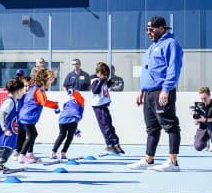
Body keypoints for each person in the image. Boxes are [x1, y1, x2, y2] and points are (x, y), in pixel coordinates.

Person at [128, 16, 183, 172]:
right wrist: (142, 90)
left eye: (151, 29)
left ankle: (173, 162)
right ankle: (148, 159)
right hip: (149, 93)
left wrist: (166, 89)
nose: (148, 32)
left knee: (170, 125)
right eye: (147, 29)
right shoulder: (152, 47)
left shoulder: (171, 44)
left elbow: (174, 68)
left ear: (162, 29)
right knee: (152, 128)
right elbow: (146, 70)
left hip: (162, 92)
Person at [18, 68, 59, 164]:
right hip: (28, 116)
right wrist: (55, 105)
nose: (49, 83)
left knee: (33, 134)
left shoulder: (34, 88)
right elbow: (44, 102)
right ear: (44, 80)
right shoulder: (38, 90)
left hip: (27, 115)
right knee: (31, 136)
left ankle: (30, 154)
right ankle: (22, 156)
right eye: (49, 81)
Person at [91, 62, 124, 154]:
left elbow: (102, 89)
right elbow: (95, 90)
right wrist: (102, 80)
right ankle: (109, 144)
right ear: (100, 72)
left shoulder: (102, 80)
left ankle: (115, 143)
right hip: (98, 106)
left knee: (109, 125)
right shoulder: (94, 79)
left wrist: (109, 83)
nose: (106, 76)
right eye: (105, 74)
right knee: (105, 126)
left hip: (104, 105)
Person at [50, 88, 84, 159]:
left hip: (64, 120)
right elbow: (70, 116)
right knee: (68, 137)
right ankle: (61, 152)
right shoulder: (77, 102)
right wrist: (73, 92)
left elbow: (64, 112)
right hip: (69, 120)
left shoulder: (71, 103)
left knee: (63, 136)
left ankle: (55, 152)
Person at [12, 76, 31, 161]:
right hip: (19, 120)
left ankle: (22, 152)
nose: (27, 88)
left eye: (29, 86)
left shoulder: (31, 96)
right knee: (20, 136)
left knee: (27, 136)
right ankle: (16, 151)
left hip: (27, 120)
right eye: (25, 86)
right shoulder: (21, 96)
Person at [193, 87, 212, 151]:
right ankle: (205, 141)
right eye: (201, 98)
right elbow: (195, 123)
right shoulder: (199, 106)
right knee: (198, 147)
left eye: (205, 98)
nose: (203, 100)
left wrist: (205, 120)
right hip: (203, 128)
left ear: (209, 95)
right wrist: (197, 118)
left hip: (211, 127)